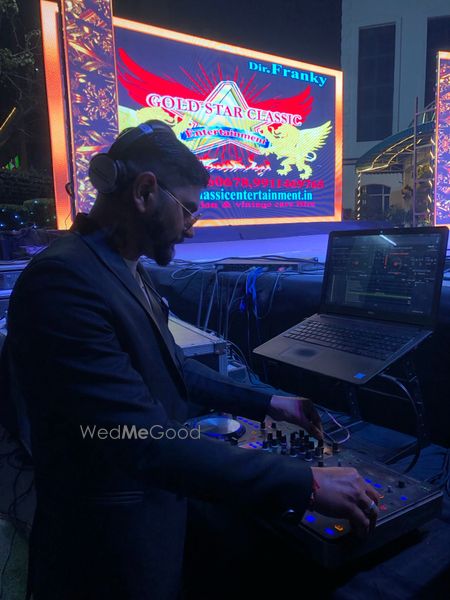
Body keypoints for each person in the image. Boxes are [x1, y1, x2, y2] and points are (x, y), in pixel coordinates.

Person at [5, 120, 379, 599]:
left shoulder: (119, 267)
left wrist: (269, 403)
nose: (192, 224)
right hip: (106, 559)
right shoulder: (63, 281)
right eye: (188, 208)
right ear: (145, 192)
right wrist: (305, 483)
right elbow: (142, 441)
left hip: (147, 530)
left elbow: (173, 367)